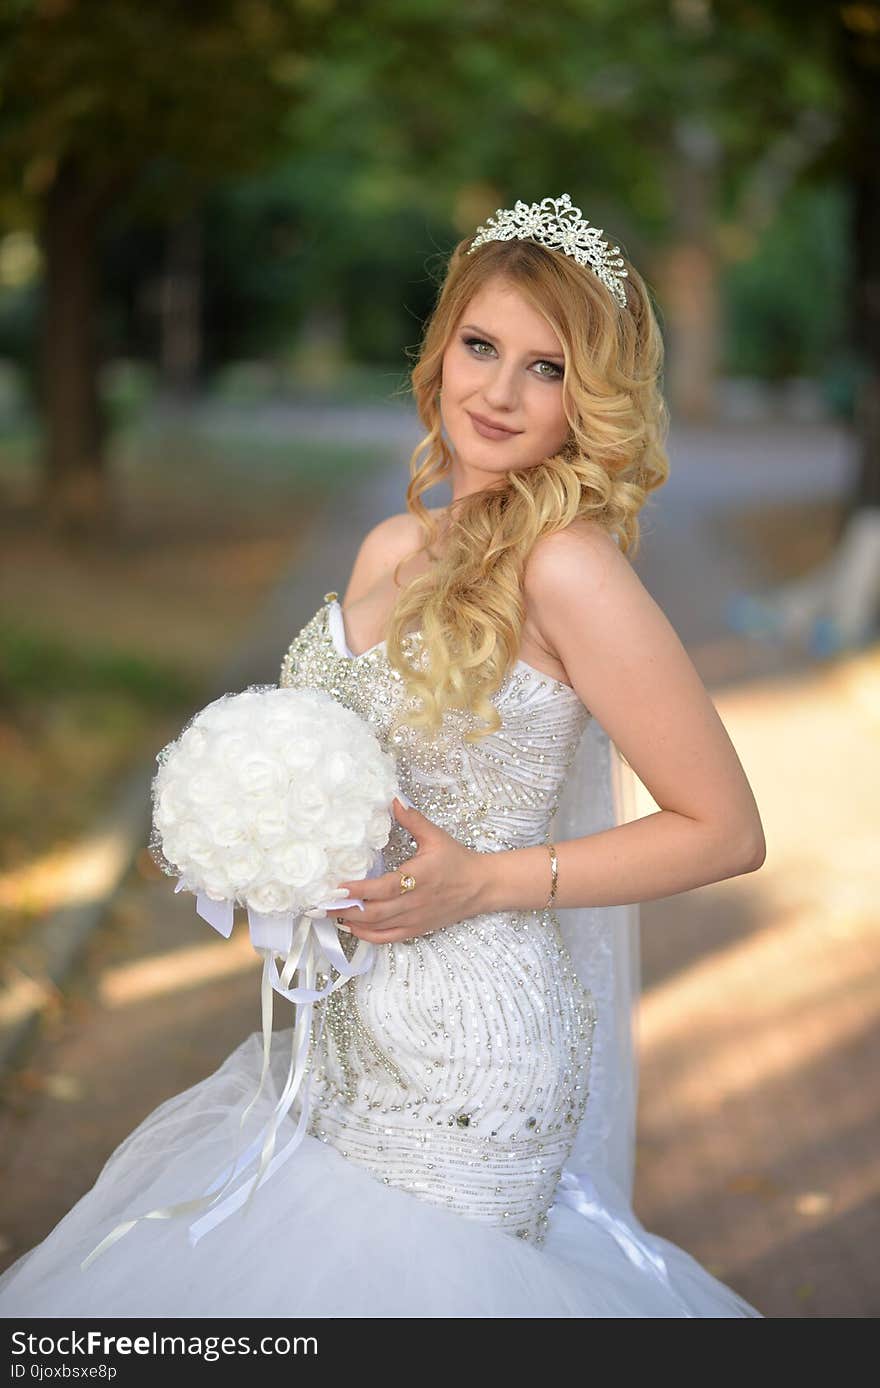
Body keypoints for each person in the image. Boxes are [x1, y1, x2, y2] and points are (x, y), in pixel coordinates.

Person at [0, 194, 766, 1318]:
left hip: (474, 1059)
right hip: (338, 1031)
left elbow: (726, 829)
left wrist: (485, 877)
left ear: (588, 398)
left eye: (546, 368)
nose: (499, 392)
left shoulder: (569, 570)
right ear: (440, 346)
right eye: (481, 345)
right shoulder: (391, 542)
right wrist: (238, 844)